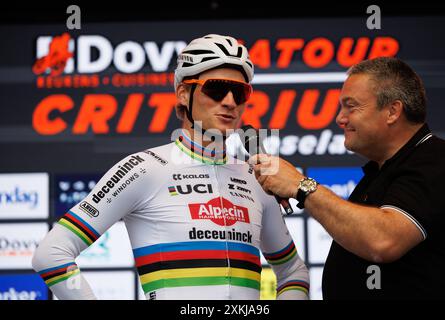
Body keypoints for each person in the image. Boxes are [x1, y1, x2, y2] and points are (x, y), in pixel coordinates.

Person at [32, 34, 309, 300]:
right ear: (182, 93)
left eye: (240, 92)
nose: (229, 101)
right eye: (215, 89)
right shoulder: (144, 169)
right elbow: (51, 253)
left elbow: (293, 272)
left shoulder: (257, 179)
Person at [251, 57, 445, 299]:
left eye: (351, 106)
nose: (340, 118)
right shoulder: (380, 172)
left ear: (392, 111)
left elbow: (383, 241)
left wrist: (300, 185)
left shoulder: (437, 160)